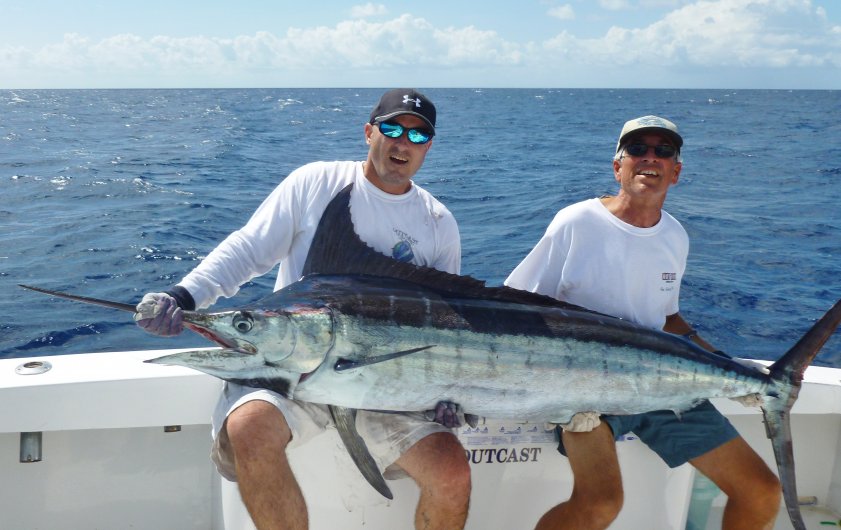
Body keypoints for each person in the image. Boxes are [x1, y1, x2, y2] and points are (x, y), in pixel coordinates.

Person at [134, 89, 471, 530]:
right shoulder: (316, 182)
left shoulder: (438, 223)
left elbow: (449, 325)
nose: (401, 142)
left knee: (452, 472)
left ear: (428, 147)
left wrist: (450, 393)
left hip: (385, 388)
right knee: (250, 427)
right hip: (289, 371)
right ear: (369, 132)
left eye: (417, 134)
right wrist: (184, 297)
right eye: (391, 128)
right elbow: (248, 248)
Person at [505, 116, 782, 530]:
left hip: (659, 384)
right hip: (585, 392)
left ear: (676, 171)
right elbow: (516, 304)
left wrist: (728, 366)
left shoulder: (675, 236)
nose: (649, 158)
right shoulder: (576, 222)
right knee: (601, 503)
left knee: (761, 491)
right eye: (637, 150)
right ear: (618, 166)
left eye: (663, 151)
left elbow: (667, 318)